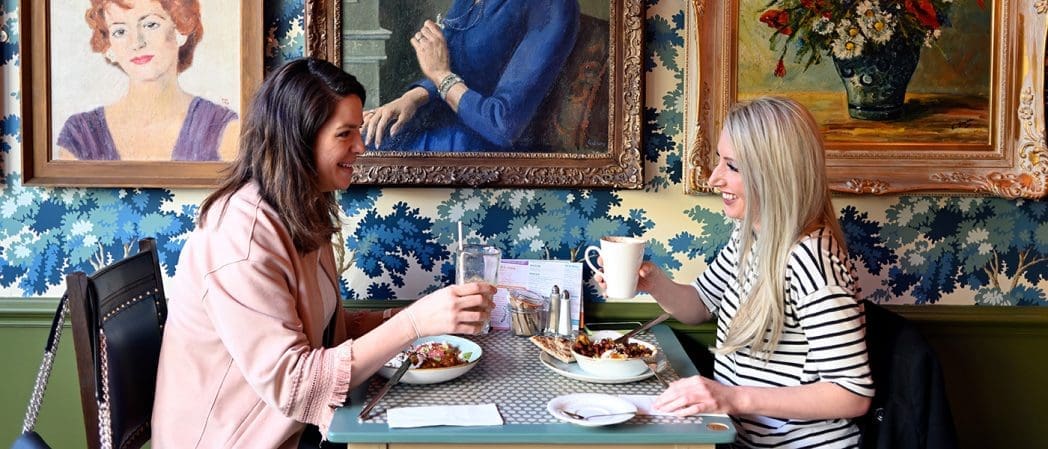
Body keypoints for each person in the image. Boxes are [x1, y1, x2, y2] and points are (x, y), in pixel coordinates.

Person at [151, 58, 495, 448]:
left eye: (359, 130)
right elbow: (295, 386)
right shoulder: (240, 237)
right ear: (299, 139)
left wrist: (417, 317)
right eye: (345, 134)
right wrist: (414, 324)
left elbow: (322, 328)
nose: (361, 146)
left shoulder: (300, 207)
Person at [596, 97, 874, 448]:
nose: (714, 179)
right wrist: (648, 280)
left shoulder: (811, 259)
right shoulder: (751, 234)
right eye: (719, 161)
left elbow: (851, 394)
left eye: (733, 166)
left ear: (775, 173)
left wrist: (732, 397)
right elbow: (698, 306)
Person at [362, 0, 580, 152]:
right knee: (363, 135)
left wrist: (440, 75)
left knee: (365, 150)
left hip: (484, 150)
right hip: (445, 125)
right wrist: (409, 99)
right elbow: (453, 67)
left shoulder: (551, 6)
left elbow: (502, 125)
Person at [57, 0, 239, 161]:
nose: (137, 42)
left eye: (150, 25)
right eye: (120, 31)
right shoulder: (80, 136)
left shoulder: (223, 129)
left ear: (181, 29)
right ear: (109, 48)